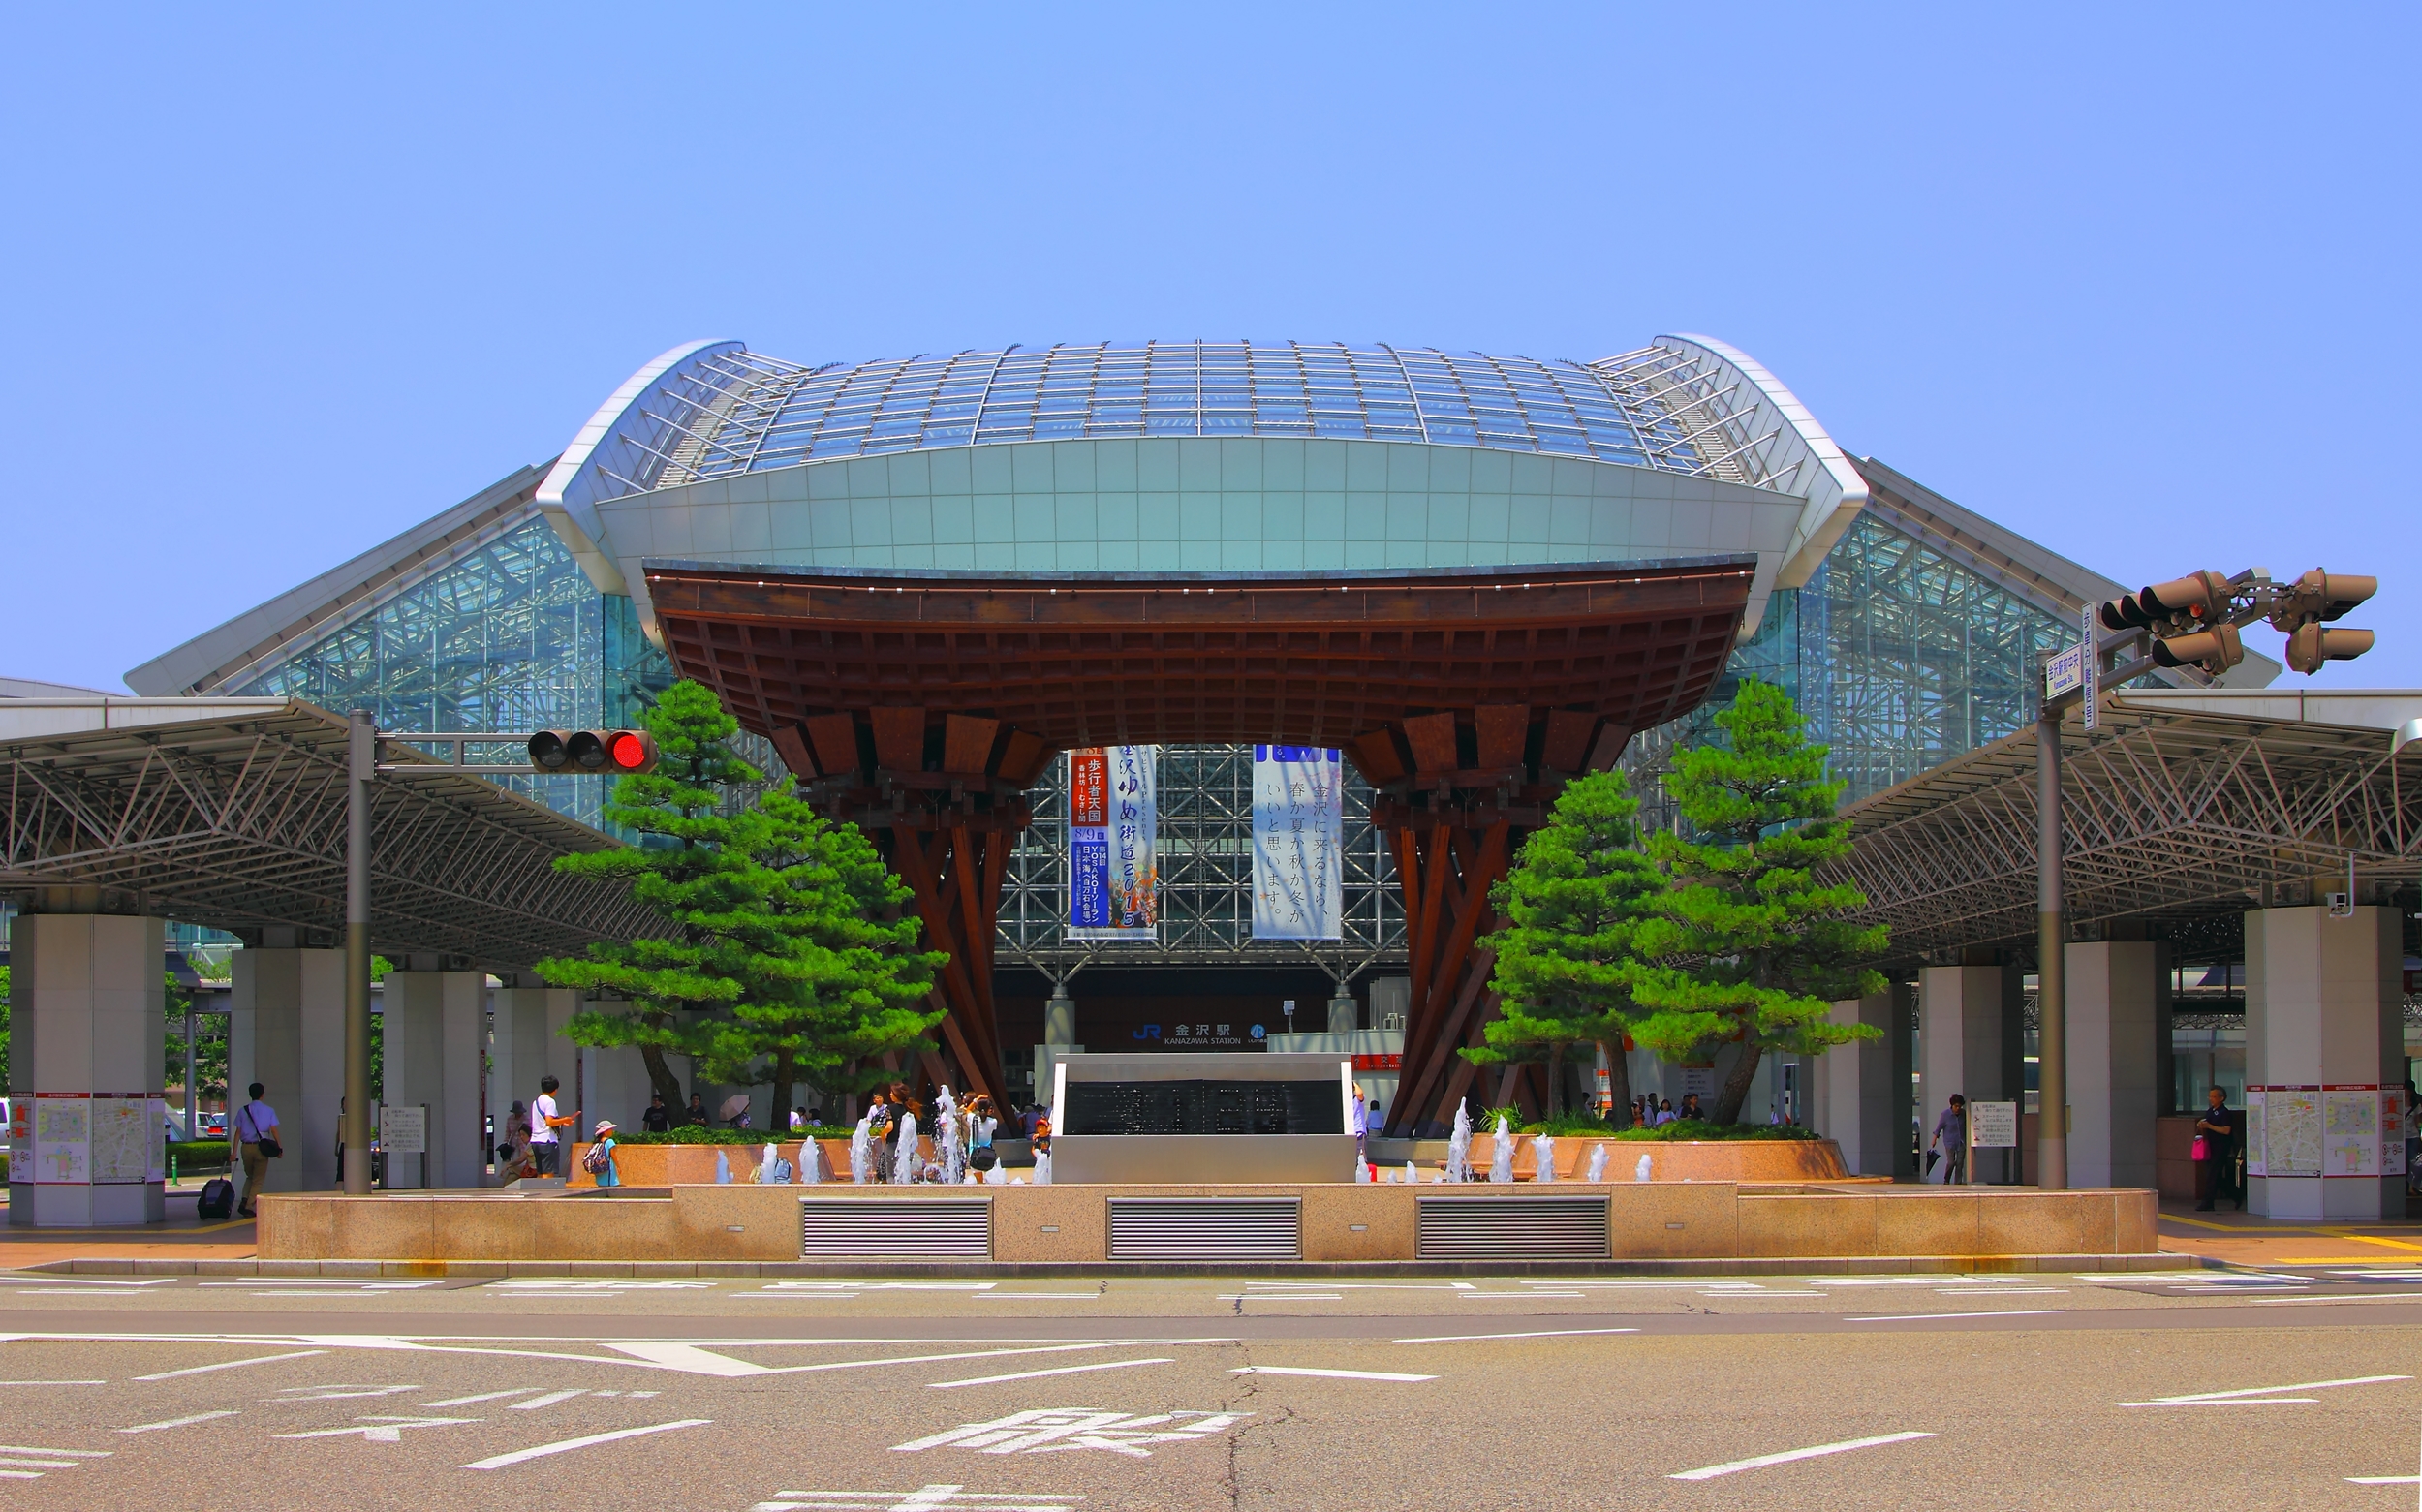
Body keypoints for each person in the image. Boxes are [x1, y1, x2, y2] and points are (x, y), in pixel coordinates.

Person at [234, 1081, 280, 1218]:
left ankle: (244, 1198)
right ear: (262, 1095)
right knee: (258, 1179)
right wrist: (279, 1147)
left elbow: (238, 1132)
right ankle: (249, 1206)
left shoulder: (243, 1110)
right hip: (261, 1148)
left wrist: (233, 1153)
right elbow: (273, 1130)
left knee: (250, 1176)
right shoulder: (269, 1110)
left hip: (246, 1147)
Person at [2193, 1086, 2242, 1211]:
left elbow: (2226, 1130)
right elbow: (2207, 1121)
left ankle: (2208, 1202)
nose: (2211, 1099)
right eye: (2210, 1096)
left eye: (2214, 1097)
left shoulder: (2224, 1113)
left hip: (2221, 1147)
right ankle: (2236, 1194)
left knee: (2212, 1175)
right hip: (2211, 1146)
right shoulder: (2211, 1111)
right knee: (2215, 1176)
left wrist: (2209, 1126)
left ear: (2222, 1098)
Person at [530, 1074, 574, 1178]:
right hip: (547, 1141)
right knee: (548, 1172)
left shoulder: (536, 1102)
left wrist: (561, 1122)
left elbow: (544, 1121)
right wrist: (565, 1119)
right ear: (555, 1089)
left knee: (540, 1172)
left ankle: (539, 1192)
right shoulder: (550, 1102)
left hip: (536, 1140)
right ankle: (547, 1193)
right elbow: (549, 1122)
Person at [1929, 1094, 1968, 1184]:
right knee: (1951, 1162)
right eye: (1956, 1106)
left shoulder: (1963, 1114)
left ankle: (1958, 1182)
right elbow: (1939, 1127)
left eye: (1960, 1106)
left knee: (1960, 1163)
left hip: (1961, 1141)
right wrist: (1934, 1138)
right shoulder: (1945, 1114)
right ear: (1952, 1105)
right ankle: (1947, 1179)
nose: (1958, 1108)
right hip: (1949, 1142)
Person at [586, 1119, 621, 1188]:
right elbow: (613, 1155)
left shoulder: (598, 1142)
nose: (612, 1131)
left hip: (600, 1168)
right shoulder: (610, 1141)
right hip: (608, 1168)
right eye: (610, 1129)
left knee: (602, 1185)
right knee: (611, 1185)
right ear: (605, 1132)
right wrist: (618, 1166)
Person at [1351, 1082, 1369, 1170]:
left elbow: (1360, 1094)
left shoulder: (1357, 1100)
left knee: (1360, 1158)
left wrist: (1354, 1084)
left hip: (1358, 1133)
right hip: (1349, 1133)